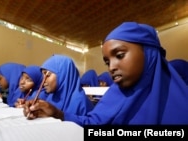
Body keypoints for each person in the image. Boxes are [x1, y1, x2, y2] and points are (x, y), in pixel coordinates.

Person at [23, 22, 188, 125]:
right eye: (107, 62)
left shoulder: (182, 108)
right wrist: (59, 114)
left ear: (149, 53)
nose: (111, 67)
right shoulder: (116, 93)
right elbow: (94, 123)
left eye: (120, 55)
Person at [24, 54, 94, 115]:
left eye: (47, 75)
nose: (43, 81)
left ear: (63, 75)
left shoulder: (81, 103)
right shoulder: (51, 97)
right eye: (43, 76)